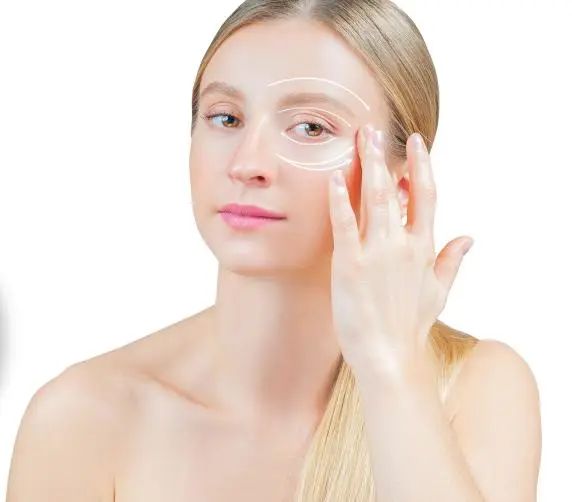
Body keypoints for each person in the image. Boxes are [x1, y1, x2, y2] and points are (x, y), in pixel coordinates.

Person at [6, 1, 541, 501]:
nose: (247, 163)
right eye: (226, 118)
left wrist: (391, 372)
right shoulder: (82, 417)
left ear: (402, 184)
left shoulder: (476, 388)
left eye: (311, 127)